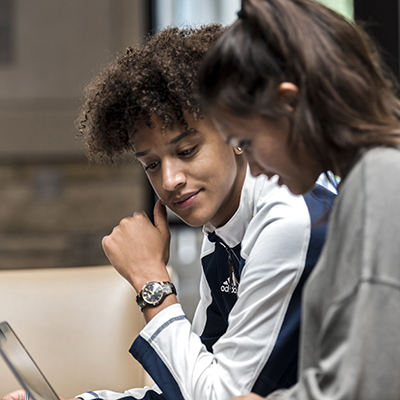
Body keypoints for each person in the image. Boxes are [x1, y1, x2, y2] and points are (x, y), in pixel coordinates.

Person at [1, 25, 333, 400]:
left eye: (187, 151)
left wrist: (151, 284)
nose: (170, 179)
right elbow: (190, 385)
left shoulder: (290, 221)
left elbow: (219, 397)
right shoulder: (223, 231)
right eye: (152, 165)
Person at [197, 0, 400, 399]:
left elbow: (368, 387)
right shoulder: (368, 179)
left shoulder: (379, 179)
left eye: (247, 143)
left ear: (289, 103)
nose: (253, 169)